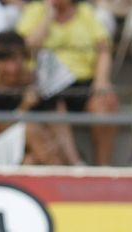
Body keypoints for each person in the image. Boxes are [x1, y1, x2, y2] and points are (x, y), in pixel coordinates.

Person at [15, 0, 120, 165]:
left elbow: (103, 49)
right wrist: (48, 16)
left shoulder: (85, 11)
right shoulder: (35, 11)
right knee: (55, 103)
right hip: (47, 84)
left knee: (106, 102)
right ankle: (75, 163)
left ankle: (102, 166)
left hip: (83, 81)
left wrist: (101, 81)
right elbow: (27, 48)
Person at [0, 29, 80, 164]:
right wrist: (24, 106)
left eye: (15, 59)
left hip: (34, 150)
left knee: (31, 160)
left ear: (24, 57)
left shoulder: (38, 82)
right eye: (5, 61)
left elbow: (56, 120)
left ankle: (70, 167)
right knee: (31, 129)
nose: (12, 68)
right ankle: (61, 176)